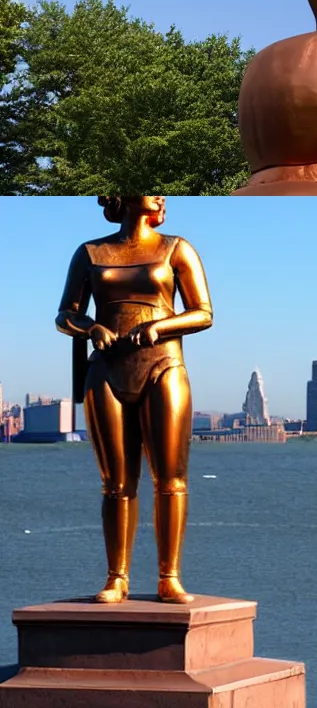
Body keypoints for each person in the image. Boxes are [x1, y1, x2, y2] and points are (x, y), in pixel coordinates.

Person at [55, 197, 213, 604]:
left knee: (171, 480)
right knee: (115, 484)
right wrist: (90, 328)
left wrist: (160, 327)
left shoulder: (176, 248)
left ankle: (169, 577)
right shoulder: (91, 252)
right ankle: (116, 577)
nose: (161, 195)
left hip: (163, 368)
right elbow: (65, 314)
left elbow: (203, 313)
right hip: (106, 372)